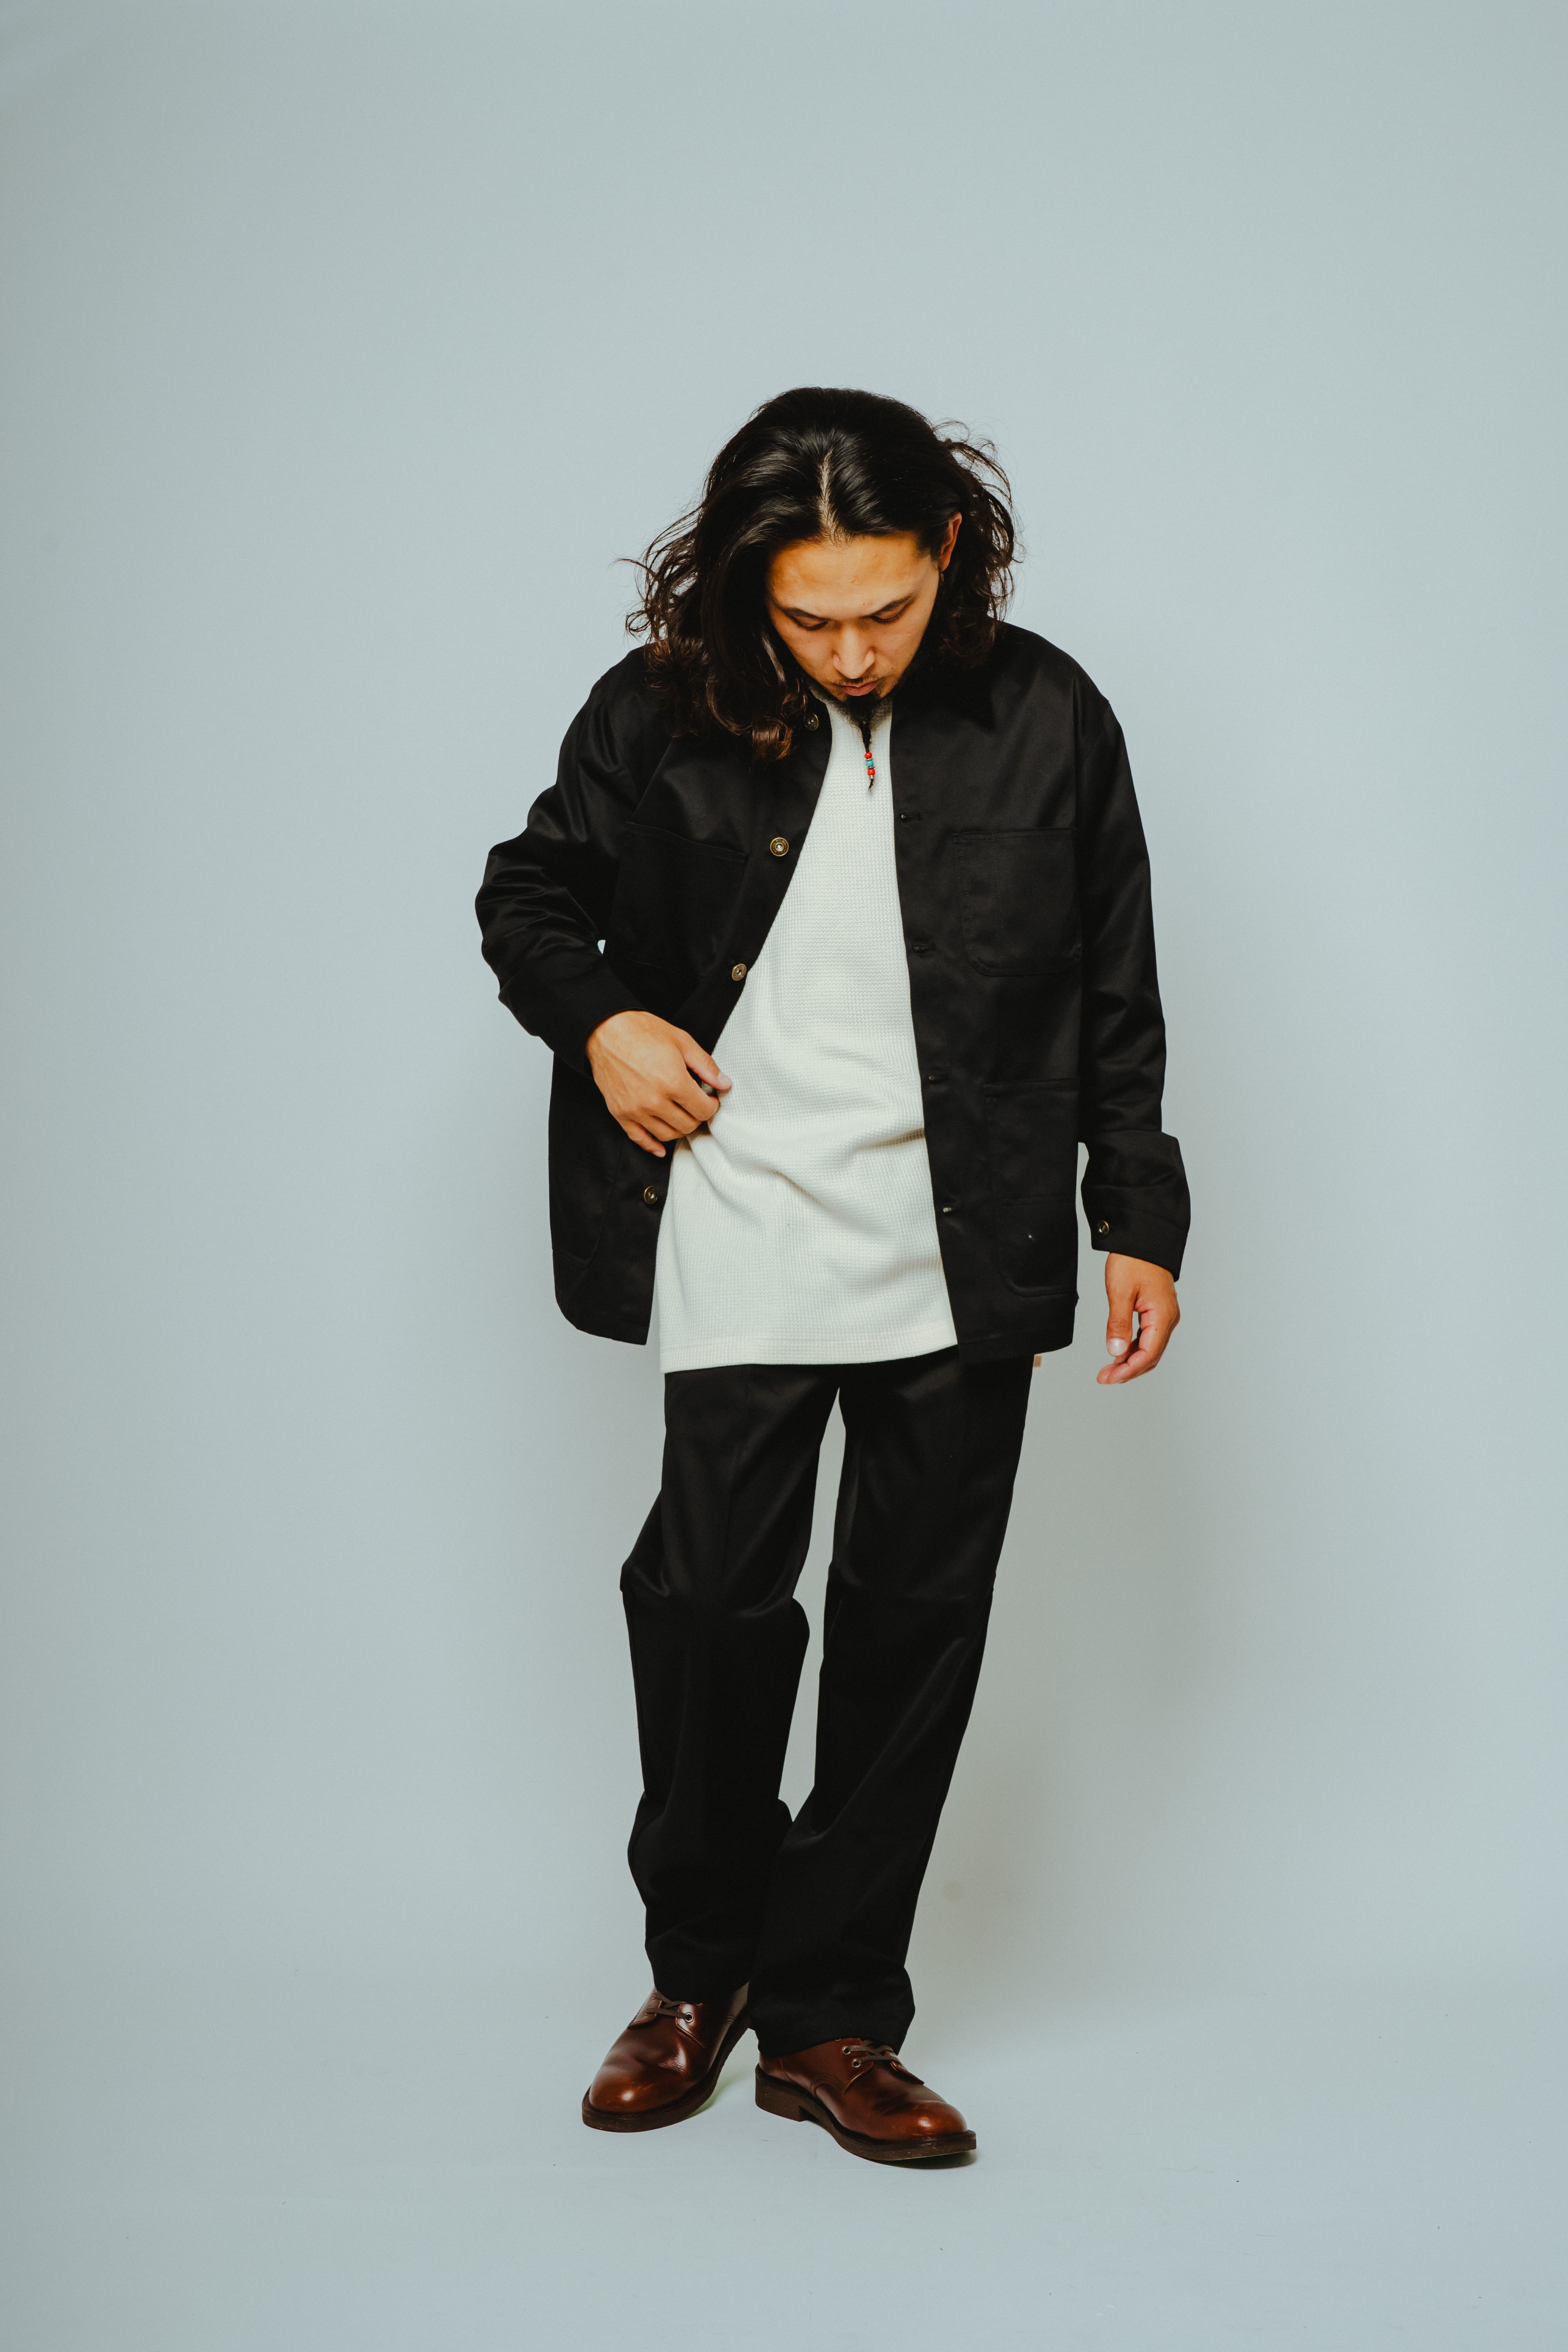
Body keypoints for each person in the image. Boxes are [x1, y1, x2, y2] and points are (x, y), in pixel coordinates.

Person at [475, 387, 1189, 2165]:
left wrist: (1139, 1215)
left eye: (888, 610)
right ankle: (696, 1975)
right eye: (811, 620)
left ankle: (834, 2016)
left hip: (970, 1228)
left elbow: (1115, 982)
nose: (855, 653)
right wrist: (607, 1025)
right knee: (712, 1605)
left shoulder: (1050, 714)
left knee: (913, 1627)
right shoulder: (660, 708)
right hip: (740, 1210)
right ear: (749, 589)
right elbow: (527, 897)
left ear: (949, 554)